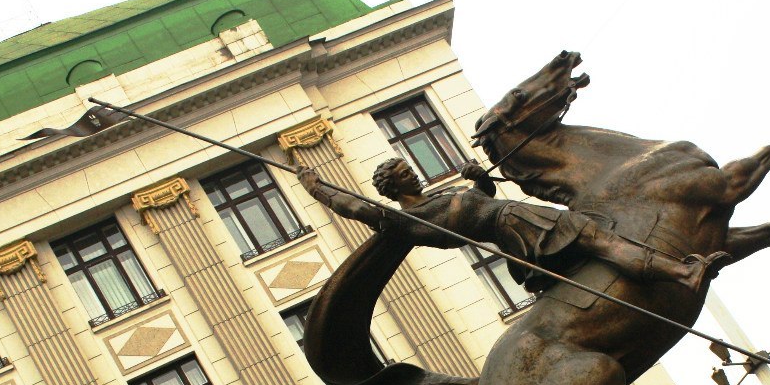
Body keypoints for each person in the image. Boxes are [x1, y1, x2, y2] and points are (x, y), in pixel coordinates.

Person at [297, 157, 726, 294]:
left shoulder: (442, 197)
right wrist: (316, 187)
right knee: (597, 238)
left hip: (513, 218)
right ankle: (681, 272)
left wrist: (478, 179)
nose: (413, 173)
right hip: (513, 226)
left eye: (409, 168)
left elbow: (483, 198)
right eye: (404, 174)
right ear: (393, 188)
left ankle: (672, 269)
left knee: (598, 235)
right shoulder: (404, 220)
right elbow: (353, 205)